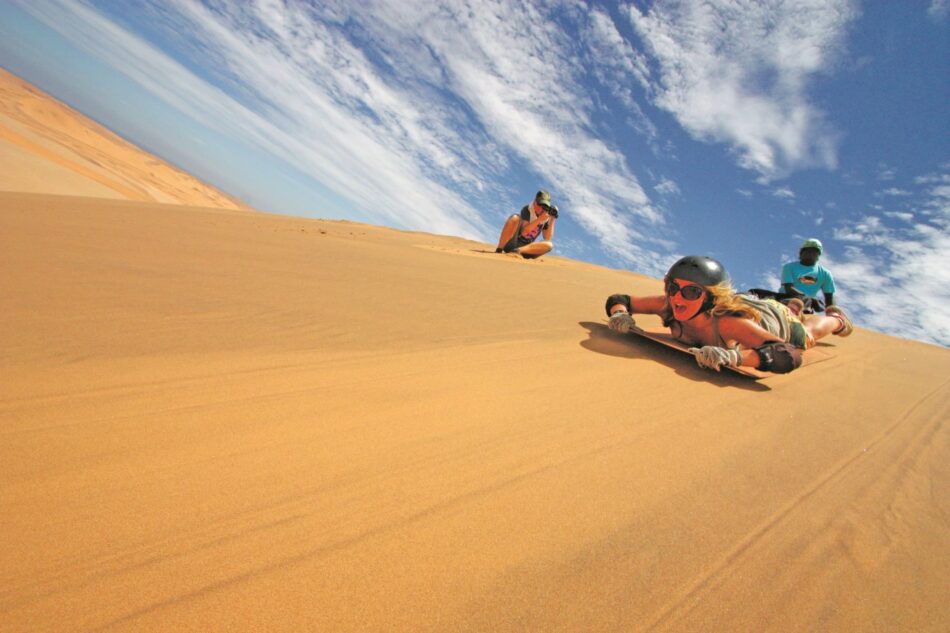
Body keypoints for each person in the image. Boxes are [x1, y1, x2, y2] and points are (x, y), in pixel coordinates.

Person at [603, 255, 854, 374]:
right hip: (749, 302)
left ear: (711, 297)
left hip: (776, 321)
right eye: (672, 288)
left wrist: (734, 357)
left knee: (805, 334)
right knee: (786, 307)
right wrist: (620, 315)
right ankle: (795, 304)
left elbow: (788, 355)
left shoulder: (727, 324)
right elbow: (619, 299)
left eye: (691, 292)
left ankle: (836, 319)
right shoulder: (669, 304)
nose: (678, 298)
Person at [495, 190, 558, 259]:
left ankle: (517, 251)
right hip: (512, 243)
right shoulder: (527, 210)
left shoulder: (545, 216)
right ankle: (499, 249)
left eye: (544, 206)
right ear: (534, 201)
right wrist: (539, 219)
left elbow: (547, 238)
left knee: (549, 245)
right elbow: (524, 232)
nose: (541, 208)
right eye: (539, 204)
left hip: (525, 250)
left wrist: (552, 219)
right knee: (515, 218)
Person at [780, 238, 837, 313]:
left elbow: (829, 299)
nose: (811, 254)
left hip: (807, 306)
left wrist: (833, 314)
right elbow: (789, 289)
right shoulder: (789, 267)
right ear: (801, 253)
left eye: (814, 252)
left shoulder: (825, 274)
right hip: (785, 299)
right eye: (808, 251)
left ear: (818, 255)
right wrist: (808, 298)